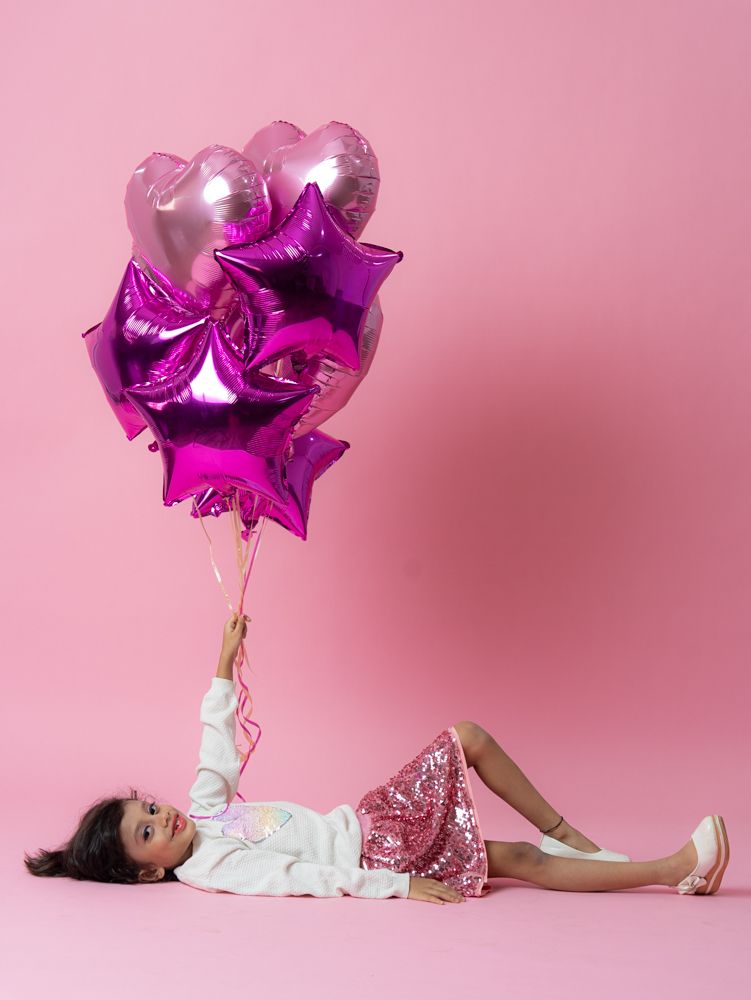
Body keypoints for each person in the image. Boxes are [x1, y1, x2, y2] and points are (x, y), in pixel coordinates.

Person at [24, 614, 730, 903]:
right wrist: (396, 887)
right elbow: (301, 878)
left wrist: (222, 664)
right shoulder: (212, 867)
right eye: (148, 831)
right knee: (515, 859)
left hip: (373, 815)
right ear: (149, 872)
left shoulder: (205, 814)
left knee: (468, 736)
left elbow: (216, 747)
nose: (163, 815)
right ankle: (673, 869)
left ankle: (571, 834)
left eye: (149, 807)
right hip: (379, 854)